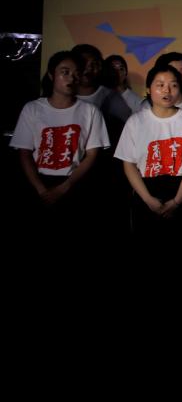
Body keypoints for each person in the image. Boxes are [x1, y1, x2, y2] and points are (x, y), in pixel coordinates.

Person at [11, 51, 111, 291]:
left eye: (76, 73)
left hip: (75, 185)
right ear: (51, 75)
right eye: (65, 72)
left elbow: (92, 154)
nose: (71, 78)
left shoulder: (90, 111)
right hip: (39, 184)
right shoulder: (33, 109)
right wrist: (41, 189)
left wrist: (66, 186)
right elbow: (24, 152)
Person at [114, 64, 182, 289]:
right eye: (160, 85)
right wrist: (148, 199)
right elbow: (128, 164)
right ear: (149, 89)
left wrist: (177, 201)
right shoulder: (136, 121)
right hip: (146, 192)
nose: (167, 90)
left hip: (180, 191)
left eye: (173, 85)